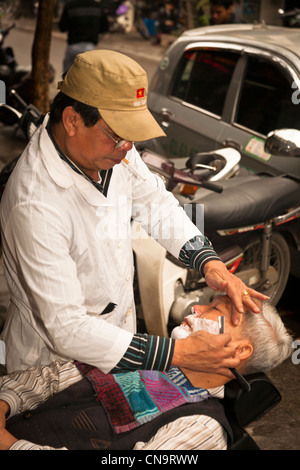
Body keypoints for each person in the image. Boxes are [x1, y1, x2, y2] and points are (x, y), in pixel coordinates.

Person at [0, 49, 267, 378]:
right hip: (52, 364)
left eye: (131, 136)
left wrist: (208, 262)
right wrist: (180, 352)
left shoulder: (113, 150)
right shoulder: (35, 204)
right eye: (116, 135)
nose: (128, 147)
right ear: (71, 120)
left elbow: (154, 203)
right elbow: (65, 327)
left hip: (118, 332)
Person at [0, 296, 293, 450]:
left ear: (239, 351)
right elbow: (51, 378)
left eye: (215, 308)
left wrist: (11, 446)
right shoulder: (148, 353)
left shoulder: (202, 430)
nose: (196, 307)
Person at [59, 0, 109, 73]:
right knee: (87, 78)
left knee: (67, 77)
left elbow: (62, 27)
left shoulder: (70, 6)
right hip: (90, 48)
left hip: (73, 46)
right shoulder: (97, 7)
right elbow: (105, 28)